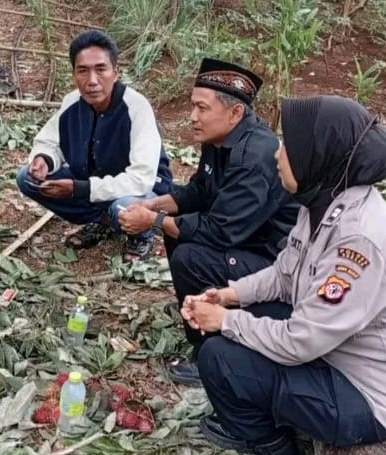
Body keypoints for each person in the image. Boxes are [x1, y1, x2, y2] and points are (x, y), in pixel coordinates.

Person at [181, 95, 386, 455]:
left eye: (288, 144)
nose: (277, 153)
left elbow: (301, 341)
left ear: (319, 154)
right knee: (237, 332)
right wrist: (228, 296)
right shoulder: (321, 201)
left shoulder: (359, 238)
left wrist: (225, 321)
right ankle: (263, 424)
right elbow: (284, 274)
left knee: (221, 356)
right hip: (337, 353)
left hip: (369, 395)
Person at [118, 59, 299, 385]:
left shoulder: (254, 156)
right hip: (244, 236)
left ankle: (211, 354)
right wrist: (153, 205)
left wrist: (152, 220)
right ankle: (198, 309)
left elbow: (219, 231)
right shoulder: (219, 141)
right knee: (175, 226)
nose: (192, 116)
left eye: (202, 108)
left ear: (235, 113)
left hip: (275, 260)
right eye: (193, 106)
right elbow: (199, 191)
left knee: (190, 256)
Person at [16, 30, 172, 261]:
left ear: (115, 72)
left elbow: (141, 179)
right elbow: (49, 141)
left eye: (101, 69)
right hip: (92, 181)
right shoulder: (72, 103)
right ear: (74, 75)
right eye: (83, 71)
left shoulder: (137, 107)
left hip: (140, 190)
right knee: (27, 178)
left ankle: (141, 233)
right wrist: (44, 159)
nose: (92, 81)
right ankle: (102, 220)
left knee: (124, 207)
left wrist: (79, 189)